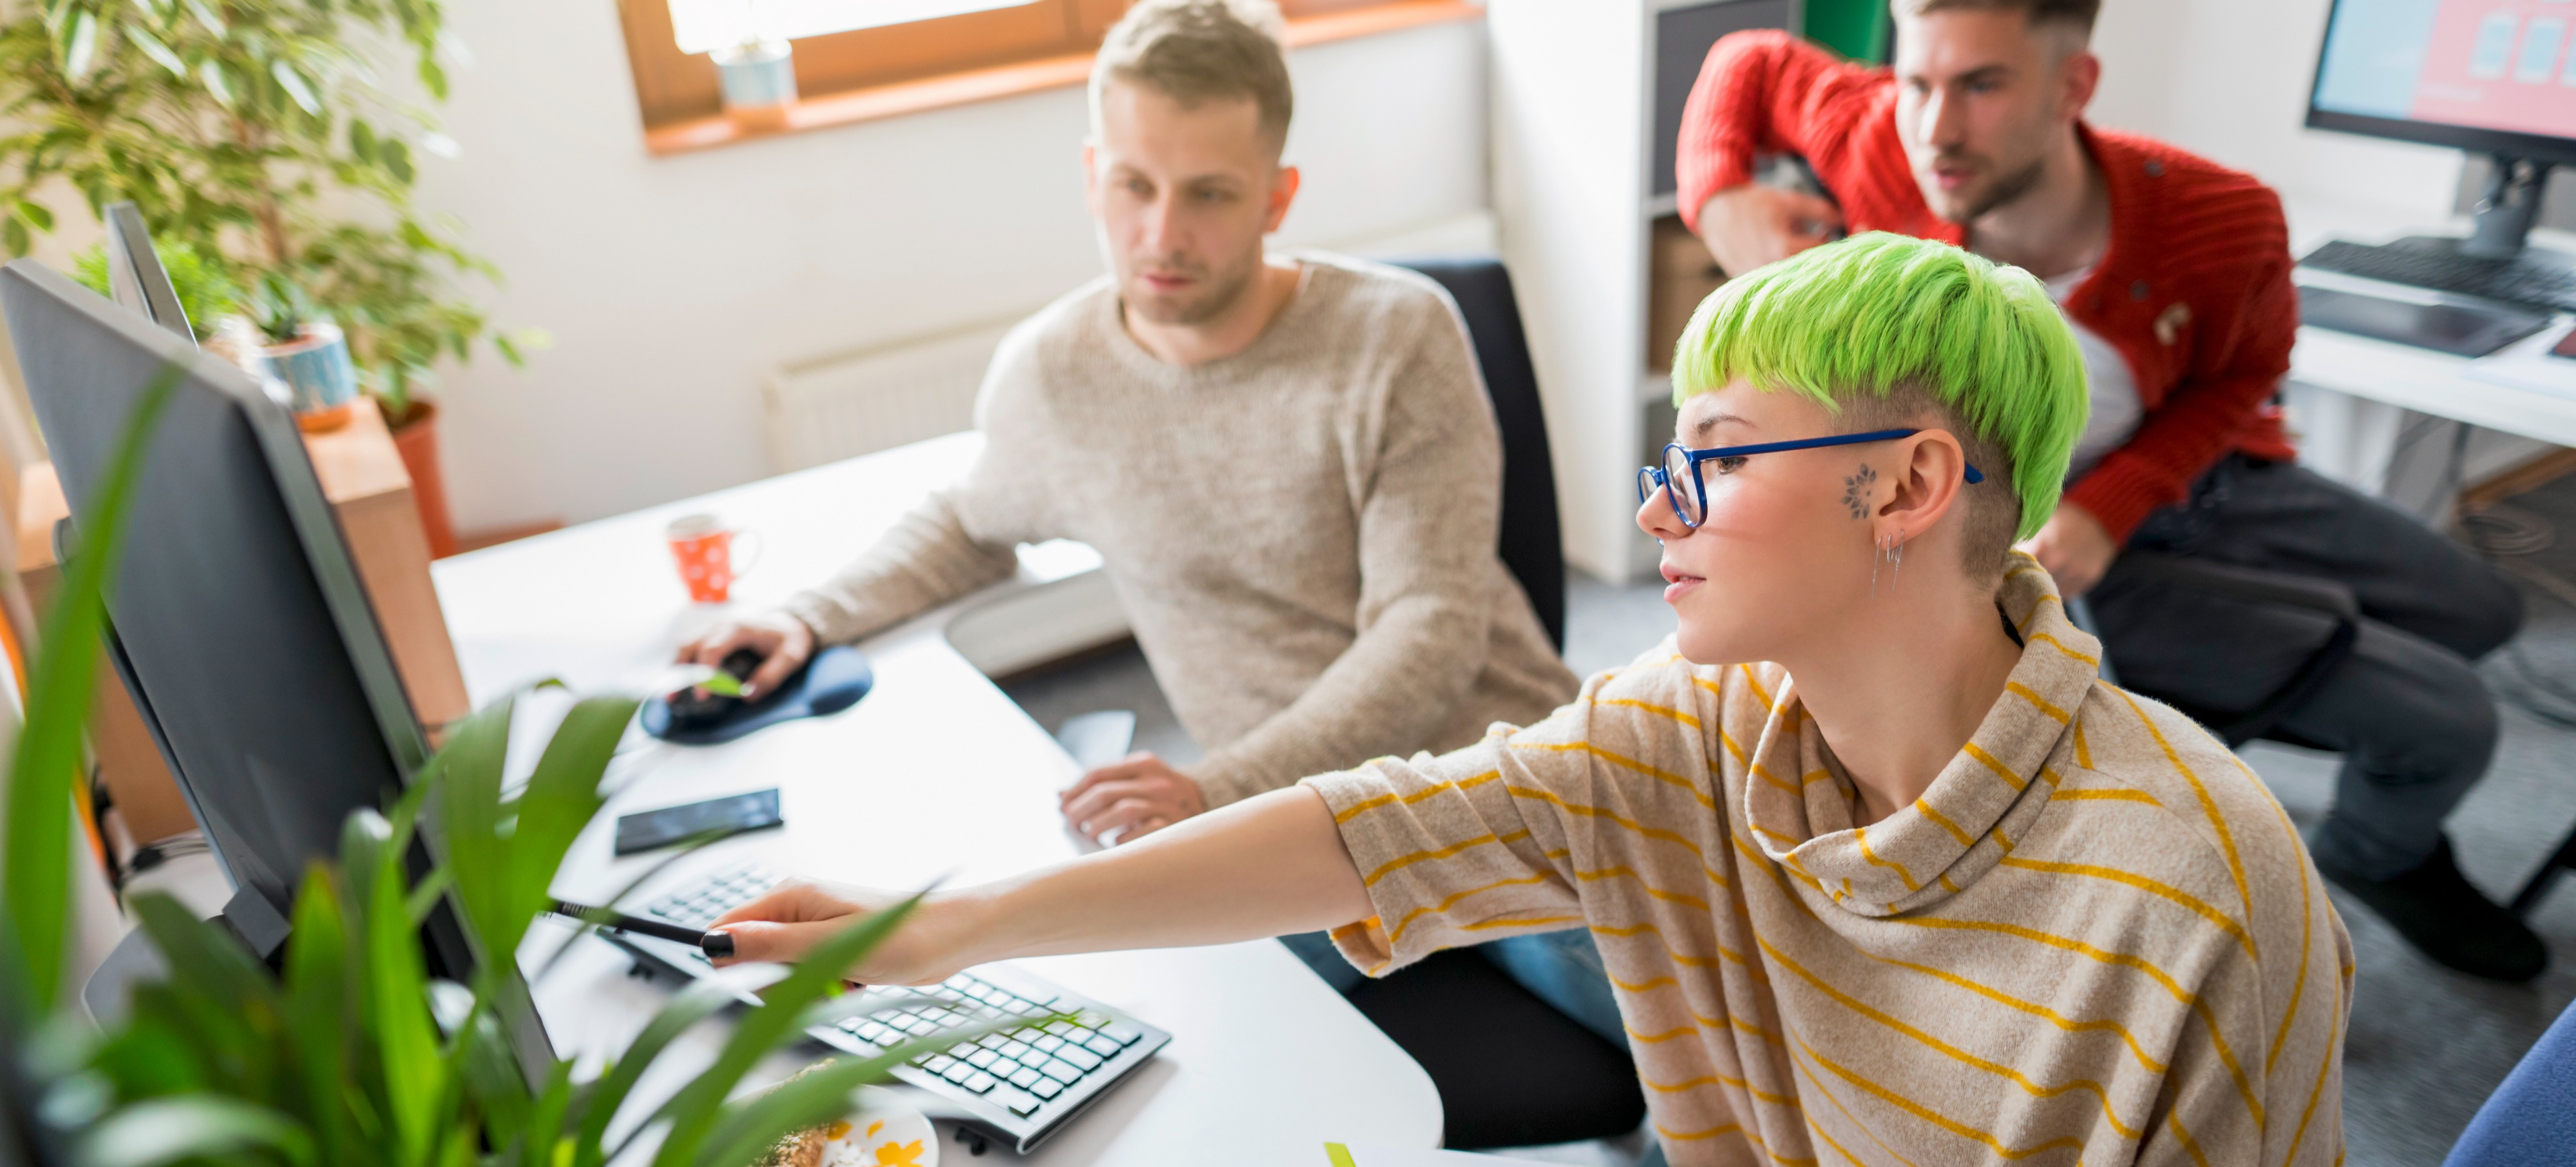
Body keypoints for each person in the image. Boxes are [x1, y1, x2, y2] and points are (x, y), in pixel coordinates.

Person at [705, 234, 2352, 1167]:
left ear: (1906, 487)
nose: (1656, 517)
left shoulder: (2200, 892)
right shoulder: (1698, 728)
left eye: (1713, 462)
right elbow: (1380, 831)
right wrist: (930, 930)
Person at [674, 0, 1588, 1003]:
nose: (1163, 233)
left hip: (1490, 781)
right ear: (1090, 177)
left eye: (1209, 194)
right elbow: (970, 523)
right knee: (1126, 1028)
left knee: (1716, 1034)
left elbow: (1431, 630)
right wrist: (807, 615)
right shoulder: (1055, 373)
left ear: (1277, 198)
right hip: (1288, 828)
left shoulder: (1397, 335)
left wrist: (1219, 790)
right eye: (1133, 185)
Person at [1675, 0, 2540, 981]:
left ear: (2073, 88)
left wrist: (2121, 496)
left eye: (1983, 85)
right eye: (1918, 81)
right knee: (2456, 723)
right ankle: (2377, 854)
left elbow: (2247, 370)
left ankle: (2261, 696)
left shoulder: (2222, 216)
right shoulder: (1885, 140)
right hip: (2026, 534)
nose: (1936, 128)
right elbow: (1745, 58)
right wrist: (1716, 194)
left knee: (2486, 609)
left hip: (2186, 479)